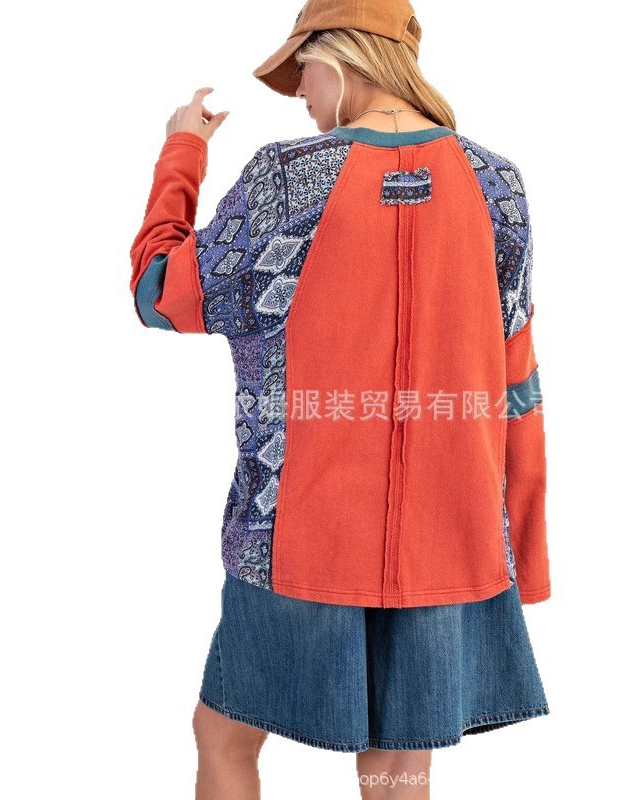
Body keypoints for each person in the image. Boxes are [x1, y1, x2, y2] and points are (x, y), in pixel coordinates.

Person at [129, 1, 552, 797]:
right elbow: (517, 380)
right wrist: (520, 552)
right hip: (453, 536)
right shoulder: (497, 184)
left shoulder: (289, 179)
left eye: (302, 72)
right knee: (398, 767)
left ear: (338, 56)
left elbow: (161, 294)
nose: (300, 94)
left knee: (223, 735)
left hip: (296, 534)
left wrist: (182, 150)